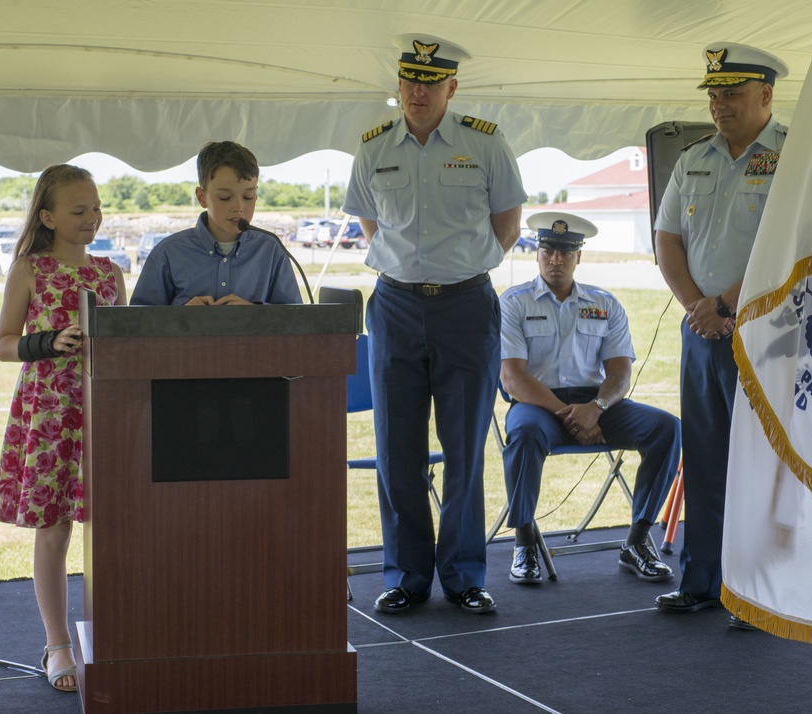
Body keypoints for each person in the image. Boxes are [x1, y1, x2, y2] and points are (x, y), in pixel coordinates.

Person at [342, 33, 527, 615]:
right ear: (397, 85)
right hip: (395, 306)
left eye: (430, 82)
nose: (418, 92)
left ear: (452, 86)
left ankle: (465, 575)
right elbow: (371, 224)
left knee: (465, 445)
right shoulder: (373, 148)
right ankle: (406, 574)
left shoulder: (485, 144)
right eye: (409, 81)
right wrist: (408, 271)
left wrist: (457, 272)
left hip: (466, 306)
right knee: (397, 448)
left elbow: (508, 224)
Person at [653, 43, 788, 620]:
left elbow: (787, 243)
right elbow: (667, 240)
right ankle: (703, 579)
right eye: (713, 94)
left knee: (760, 461)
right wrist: (696, 306)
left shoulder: (792, 158)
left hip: (770, 330)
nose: (719, 104)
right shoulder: (692, 158)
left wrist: (725, 303)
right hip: (702, 331)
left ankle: (757, 591)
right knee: (705, 456)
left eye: (731, 93)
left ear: (766, 94)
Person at [0, 164, 126, 692]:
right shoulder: (29, 268)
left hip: (105, 410)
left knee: (113, 529)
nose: (92, 217)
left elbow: (127, 340)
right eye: (78, 210)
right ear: (47, 216)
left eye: (95, 207)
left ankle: (114, 632)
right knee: (55, 528)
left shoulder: (111, 273)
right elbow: (2, 343)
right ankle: (58, 643)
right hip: (49, 414)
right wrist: (47, 342)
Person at [499, 212, 680, 586]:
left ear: (579, 256)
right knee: (524, 434)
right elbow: (514, 379)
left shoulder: (604, 303)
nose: (556, 259)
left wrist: (594, 410)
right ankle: (524, 543)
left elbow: (619, 374)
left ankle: (637, 541)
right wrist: (573, 416)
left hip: (597, 405)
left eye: (566, 252)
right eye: (548, 249)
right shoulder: (514, 303)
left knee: (667, 428)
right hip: (537, 406)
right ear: (536, 252)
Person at [130, 140, 301, 306]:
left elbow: (297, 320)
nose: (239, 207)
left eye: (248, 197)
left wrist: (254, 315)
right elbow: (137, 324)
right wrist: (179, 318)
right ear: (202, 197)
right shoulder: (167, 253)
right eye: (225, 197)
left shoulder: (271, 251)